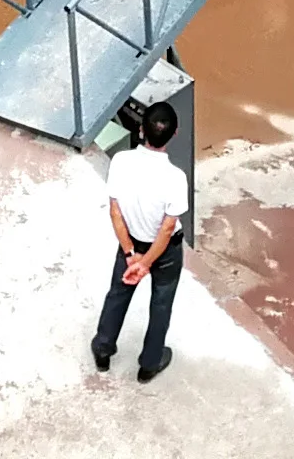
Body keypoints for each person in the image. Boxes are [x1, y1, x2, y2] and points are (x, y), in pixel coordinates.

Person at [93, 99, 187, 381]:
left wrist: (131, 254)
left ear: (141, 131)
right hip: (164, 252)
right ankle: (149, 363)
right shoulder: (176, 178)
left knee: (118, 294)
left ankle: (103, 349)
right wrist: (146, 264)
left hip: (130, 243)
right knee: (161, 304)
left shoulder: (121, 161)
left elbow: (115, 212)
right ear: (174, 134)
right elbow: (167, 229)